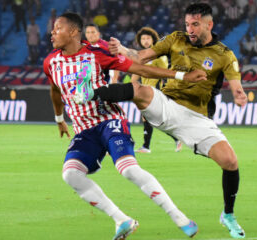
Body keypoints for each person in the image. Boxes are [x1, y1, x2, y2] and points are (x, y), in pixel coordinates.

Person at [75, 3, 247, 239]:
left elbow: (235, 82)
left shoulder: (224, 54)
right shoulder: (176, 39)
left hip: (197, 119)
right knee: (140, 90)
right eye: (187, 24)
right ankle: (92, 93)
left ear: (209, 24)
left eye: (195, 24)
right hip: (166, 104)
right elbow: (140, 57)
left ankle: (228, 214)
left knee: (230, 161)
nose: (190, 29)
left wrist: (239, 93)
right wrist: (122, 49)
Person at [44, 12, 206, 240]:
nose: (52, 33)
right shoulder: (51, 62)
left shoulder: (95, 55)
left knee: (128, 169)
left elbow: (139, 69)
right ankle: (122, 220)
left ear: (73, 32)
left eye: (57, 28)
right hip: (84, 130)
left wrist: (181, 76)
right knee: (70, 174)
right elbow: (54, 90)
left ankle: (179, 217)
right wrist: (59, 119)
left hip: (109, 120)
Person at [131, 27, 182, 153]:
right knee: (151, 119)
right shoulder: (140, 56)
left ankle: (146, 147)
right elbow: (135, 74)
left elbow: (165, 74)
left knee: (150, 118)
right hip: (144, 91)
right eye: (143, 39)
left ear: (153, 39)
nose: (145, 41)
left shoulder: (159, 56)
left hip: (156, 91)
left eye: (148, 38)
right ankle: (176, 137)